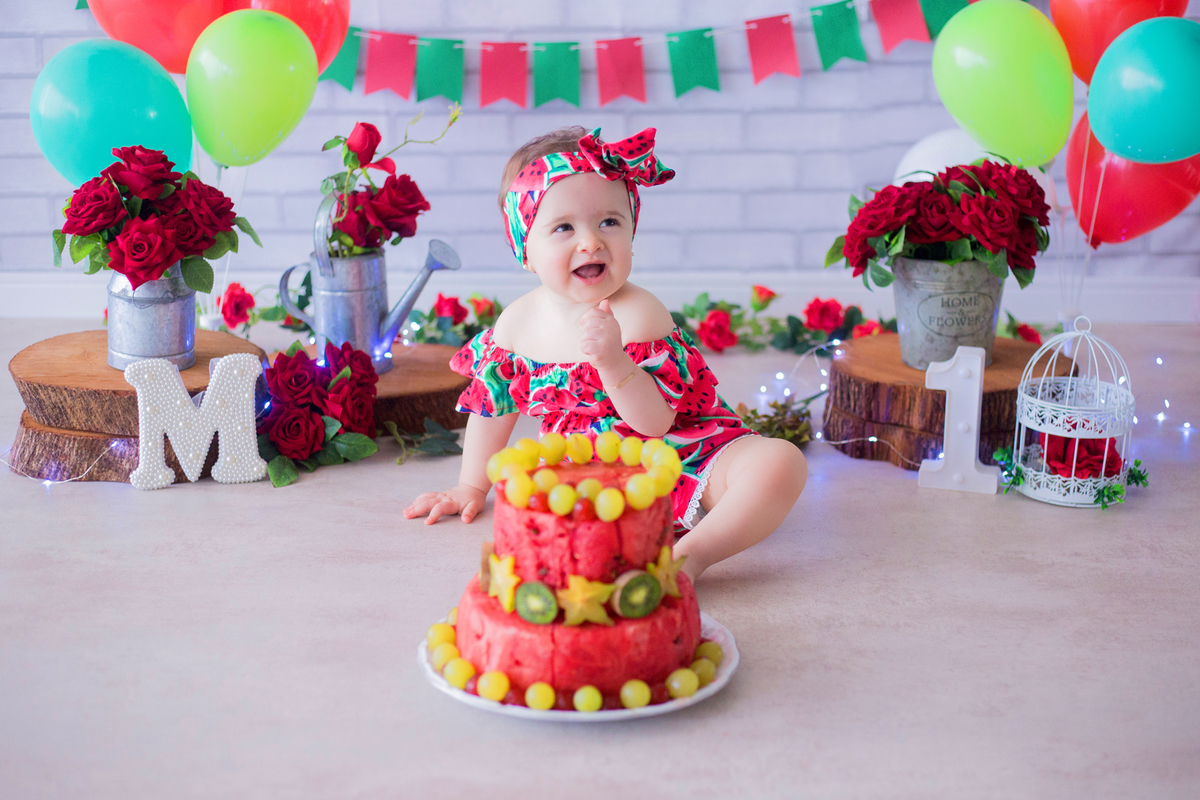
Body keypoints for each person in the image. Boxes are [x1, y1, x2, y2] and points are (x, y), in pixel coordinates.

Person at [404, 126, 807, 581]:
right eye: (563, 227)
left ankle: (693, 555)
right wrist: (471, 485)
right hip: (587, 470)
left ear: (632, 232)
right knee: (544, 526)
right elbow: (493, 411)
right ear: (525, 249)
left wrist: (614, 362)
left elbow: (655, 423)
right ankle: (621, 546)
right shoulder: (517, 323)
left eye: (609, 222)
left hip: (683, 457)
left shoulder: (639, 314)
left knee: (779, 463)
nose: (591, 242)